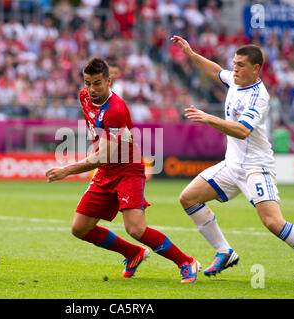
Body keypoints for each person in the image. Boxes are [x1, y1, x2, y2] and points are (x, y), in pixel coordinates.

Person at [170, 35, 294, 286]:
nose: (234, 69)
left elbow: (242, 130)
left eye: (240, 65)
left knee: (272, 222)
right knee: (188, 198)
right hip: (231, 165)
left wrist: (209, 118)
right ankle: (225, 252)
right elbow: (216, 70)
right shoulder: (235, 81)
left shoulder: (259, 96)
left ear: (256, 69)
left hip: (256, 168)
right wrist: (191, 54)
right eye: (234, 64)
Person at [45, 58, 200, 283]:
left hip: (127, 170)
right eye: (87, 83)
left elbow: (103, 155)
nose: (91, 89)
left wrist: (67, 170)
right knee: (80, 228)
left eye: (97, 83)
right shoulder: (83, 97)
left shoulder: (116, 110)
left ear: (109, 81)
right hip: (105, 173)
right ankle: (132, 253)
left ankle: (186, 262)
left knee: (136, 228)